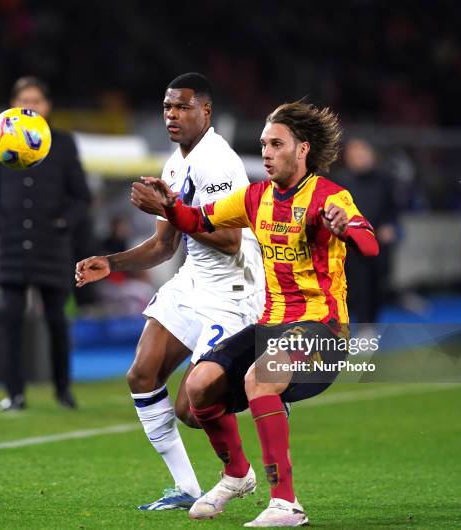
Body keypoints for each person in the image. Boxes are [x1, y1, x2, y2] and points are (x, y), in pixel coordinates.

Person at [136, 100, 378, 526]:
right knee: (199, 386)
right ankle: (235, 474)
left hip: (323, 331)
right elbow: (199, 220)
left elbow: (370, 244)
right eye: (264, 144)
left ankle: (286, 504)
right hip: (271, 328)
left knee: (258, 378)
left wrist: (346, 227)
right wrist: (169, 207)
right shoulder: (255, 197)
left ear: (302, 149)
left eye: (276, 144)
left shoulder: (329, 196)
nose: (266, 152)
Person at [75, 73, 264, 510]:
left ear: (206, 111)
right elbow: (164, 244)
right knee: (142, 374)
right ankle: (188, 487)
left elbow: (230, 240)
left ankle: (248, 415)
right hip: (193, 281)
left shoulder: (218, 161)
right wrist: (113, 262)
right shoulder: (175, 163)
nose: (172, 115)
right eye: (167, 108)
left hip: (233, 289)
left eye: (182, 107)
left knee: (191, 409)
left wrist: (170, 209)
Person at [0, 76, 92, 412]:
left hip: (51, 247)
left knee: (56, 321)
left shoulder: (63, 143)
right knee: (10, 320)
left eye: (36, 100)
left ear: (47, 106)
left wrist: (64, 223)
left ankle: (63, 392)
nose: (30, 107)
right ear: (12, 105)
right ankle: (15, 394)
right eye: (23, 100)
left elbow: (81, 197)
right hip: (11, 246)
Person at [339, 138, 398, 325]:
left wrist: (390, 226)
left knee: (377, 285)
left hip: (378, 241)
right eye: (354, 156)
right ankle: (359, 323)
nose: (359, 159)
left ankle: (371, 323)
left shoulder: (386, 181)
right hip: (350, 242)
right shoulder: (341, 181)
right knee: (355, 285)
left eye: (362, 154)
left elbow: (394, 209)